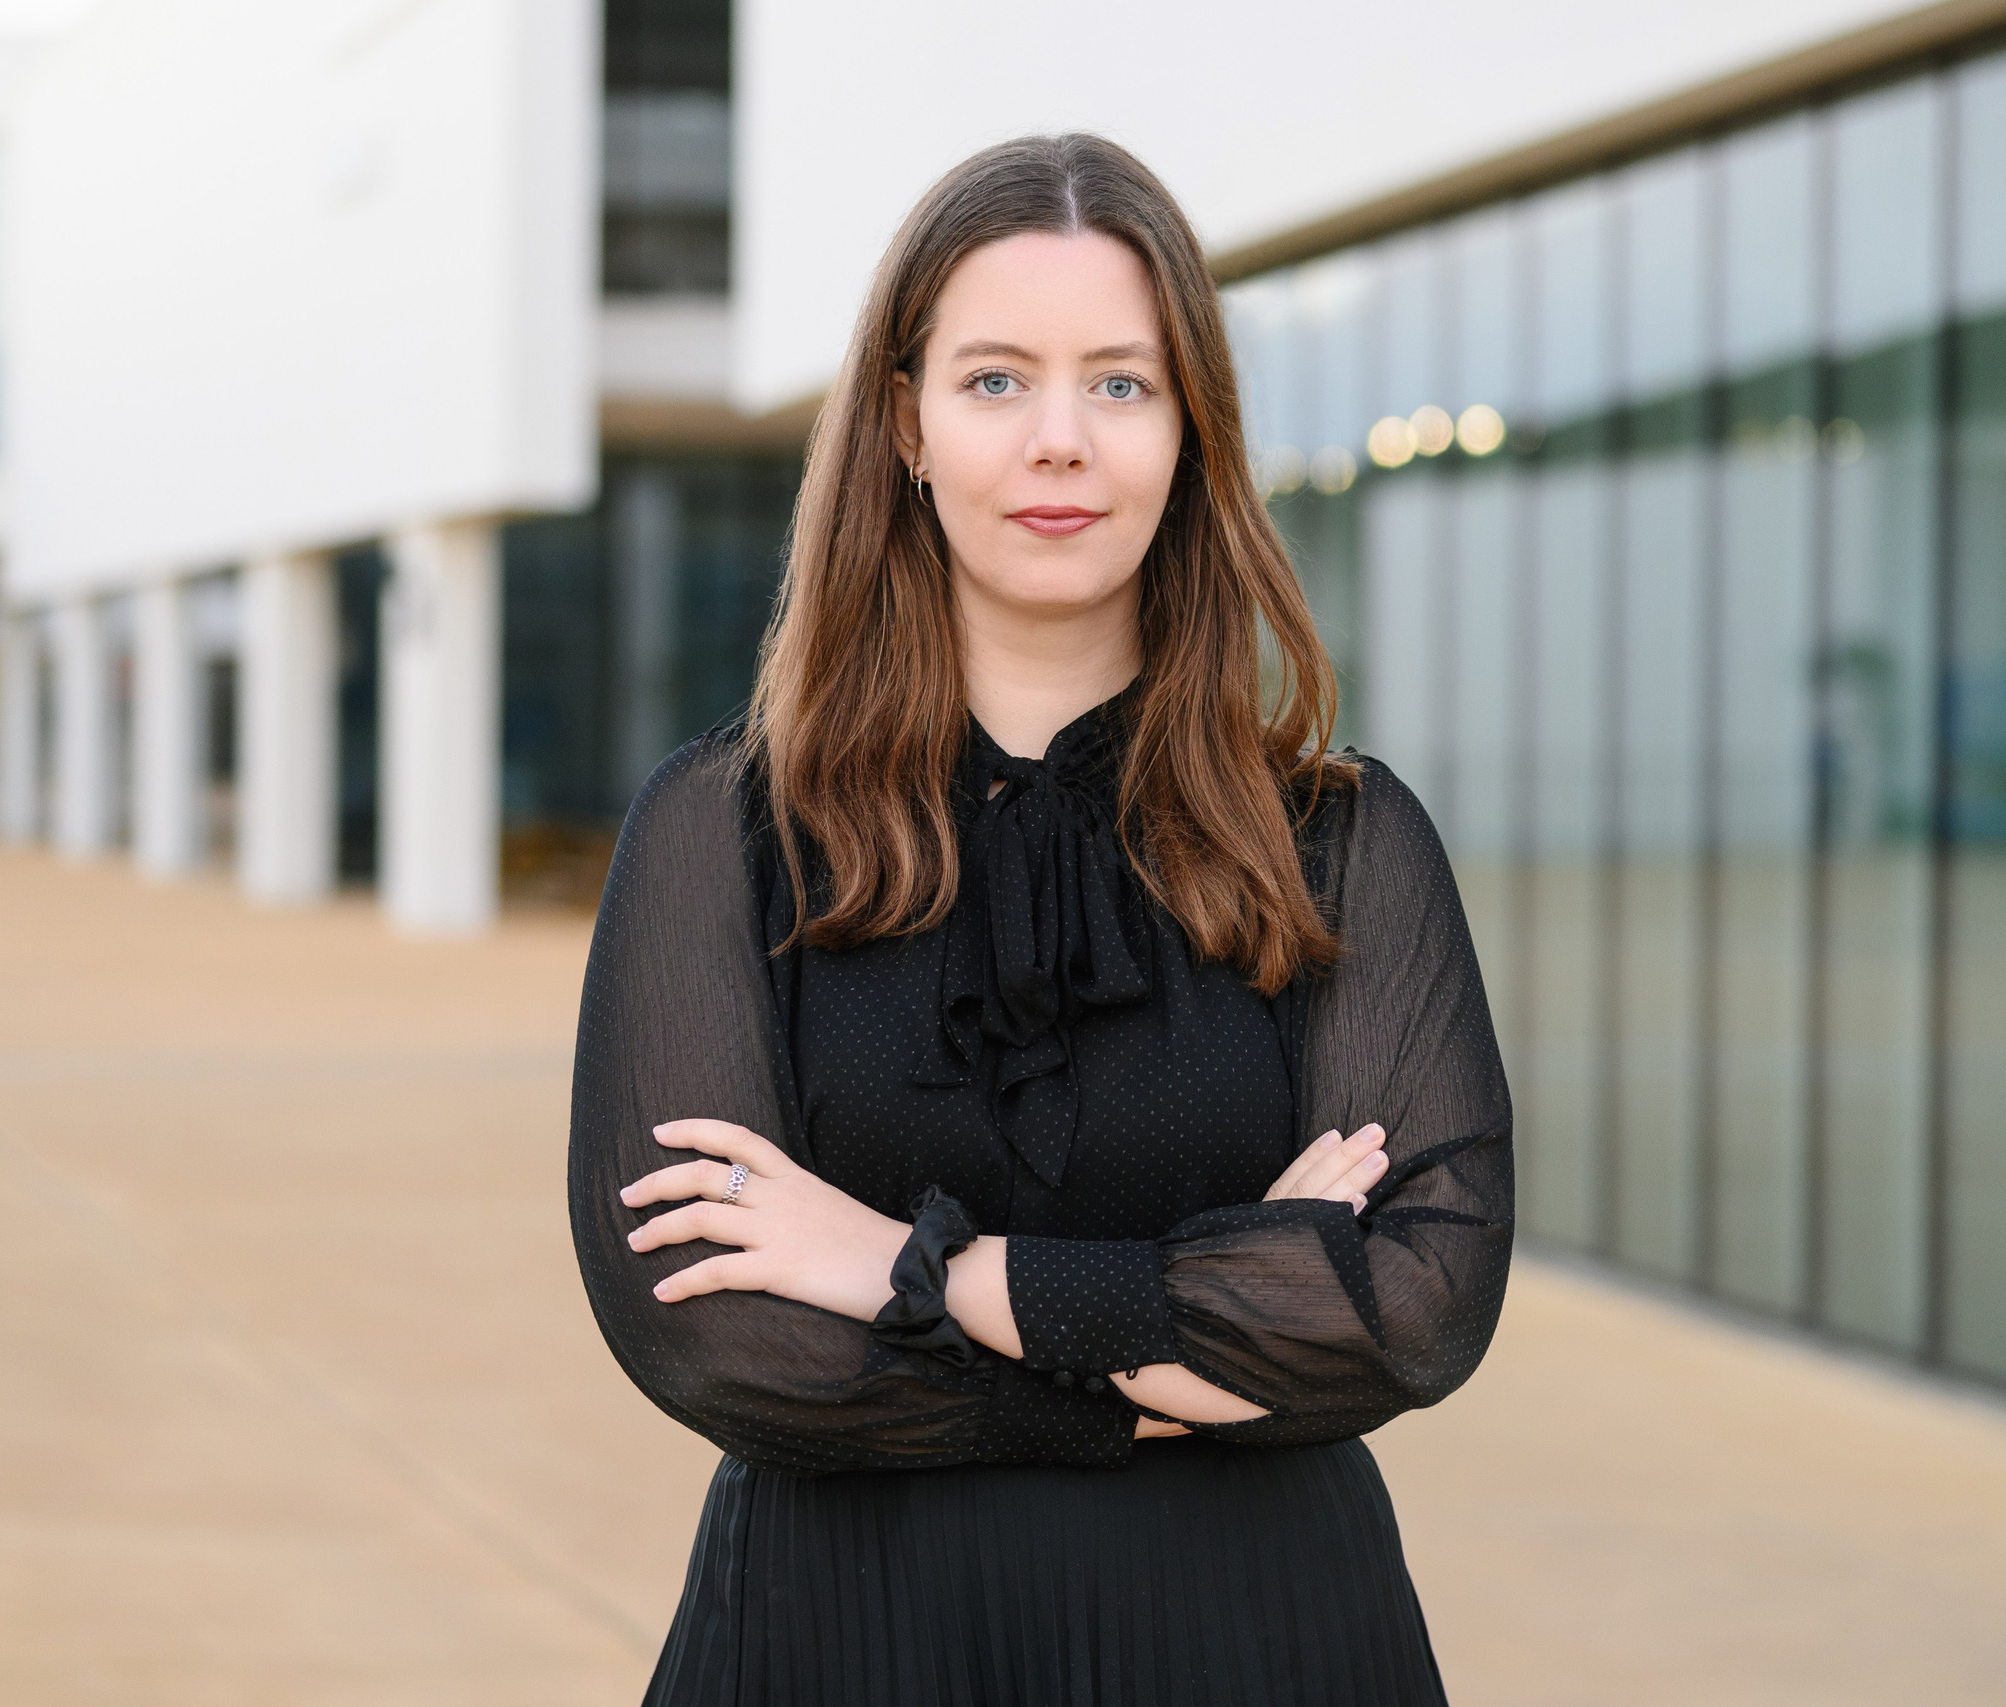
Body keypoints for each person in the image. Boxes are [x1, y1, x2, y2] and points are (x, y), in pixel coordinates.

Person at [567, 131, 1514, 1706]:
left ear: (1192, 432)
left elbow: (1409, 1310)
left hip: (1266, 1650)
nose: (1060, 441)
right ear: (908, 425)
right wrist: (1191, 1335)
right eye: (997, 379)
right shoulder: (725, 834)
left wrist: (902, 1269)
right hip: (838, 1650)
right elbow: (718, 1347)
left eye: (1121, 385)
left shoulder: (1339, 845)